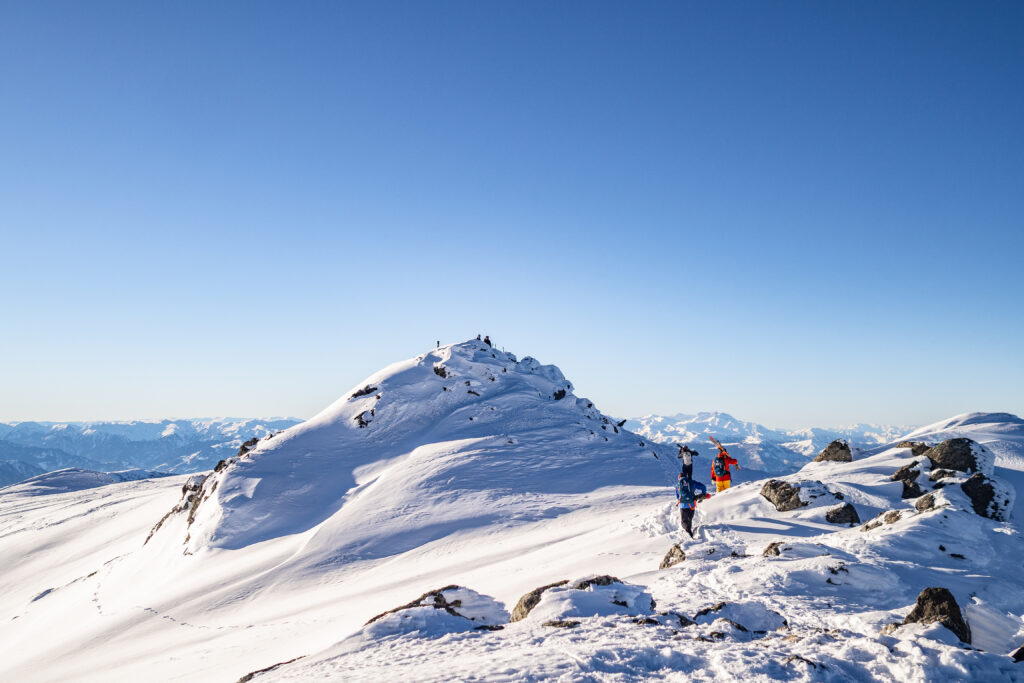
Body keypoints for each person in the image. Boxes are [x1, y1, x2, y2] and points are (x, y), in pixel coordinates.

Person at [676, 473, 709, 538]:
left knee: (684, 521)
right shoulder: (692, 482)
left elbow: (677, 496)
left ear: (679, 478)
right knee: (689, 519)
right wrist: (703, 494)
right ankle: (690, 532)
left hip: (683, 505)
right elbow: (703, 486)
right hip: (691, 505)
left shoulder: (678, 485)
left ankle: (689, 533)